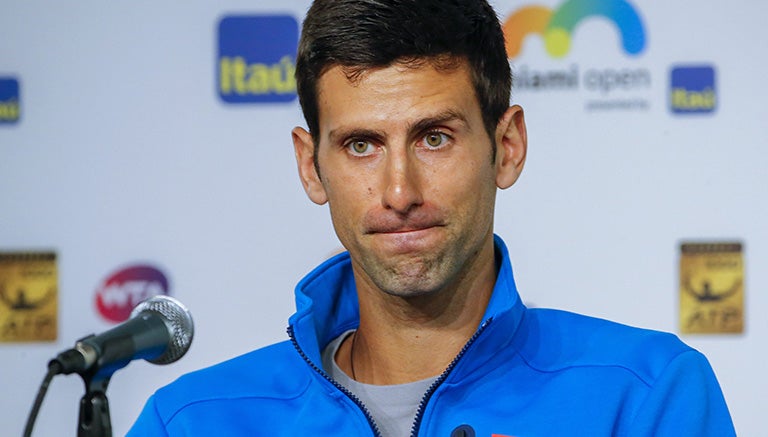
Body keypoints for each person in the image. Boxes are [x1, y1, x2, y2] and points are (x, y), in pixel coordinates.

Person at [128, 0, 735, 435]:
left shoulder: (646, 396)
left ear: (508, 146)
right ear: (311, 167)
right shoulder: (191, 420)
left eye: (434, 138)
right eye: (361, 145)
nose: (399, 191)